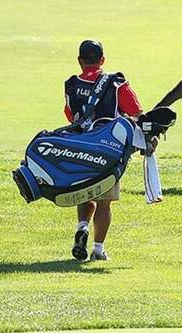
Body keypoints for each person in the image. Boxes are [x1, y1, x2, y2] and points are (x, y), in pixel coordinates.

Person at [64, 40, 143, 261]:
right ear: (102, 60)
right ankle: (98, 250)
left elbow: (70, 115)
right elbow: (136, 111)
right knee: (104, 201)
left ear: (80, 61)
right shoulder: (116, 83)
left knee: (84, 191)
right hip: (108, 150)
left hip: (79, 146)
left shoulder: (71, 84)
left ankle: (82, 226)